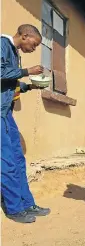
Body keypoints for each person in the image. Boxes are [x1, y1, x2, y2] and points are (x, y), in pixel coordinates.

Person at [0, 24, 50, 223]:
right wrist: (26, 71)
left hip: (6, 113)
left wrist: (29, 86)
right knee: (7, 162)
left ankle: (27, 203)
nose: (34, 48)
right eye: (34, 44)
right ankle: (14, 209)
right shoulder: (2, 44)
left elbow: (9, 81)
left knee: (18, 159)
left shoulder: (13, 51)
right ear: (25, 35)